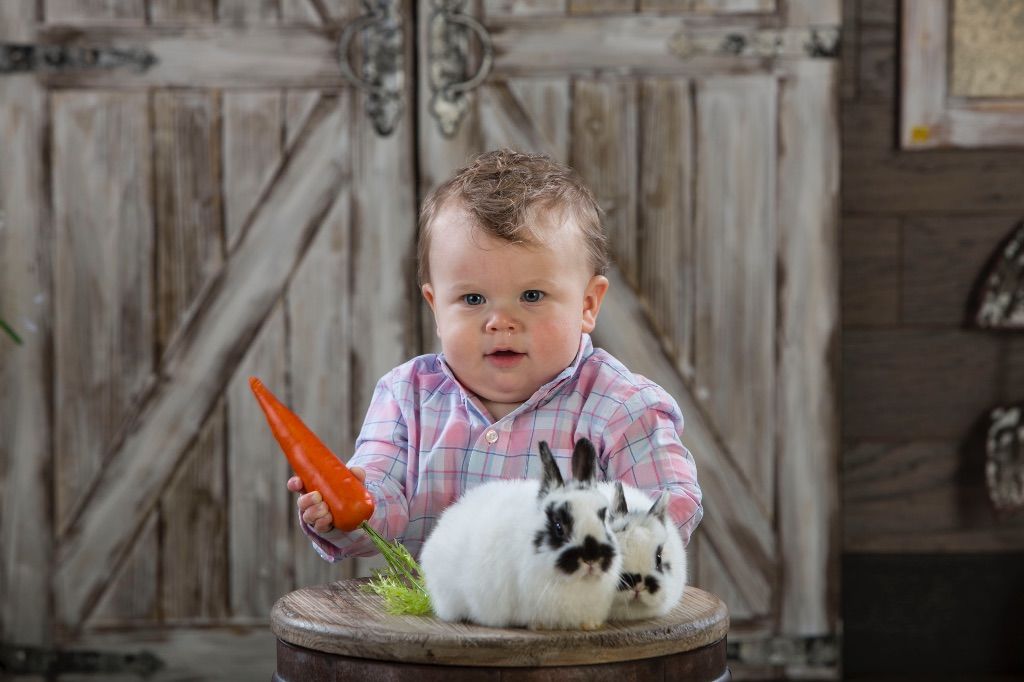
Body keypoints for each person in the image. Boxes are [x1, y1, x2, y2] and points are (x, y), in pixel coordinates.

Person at [287, 149, 702, 561]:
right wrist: (346, 507)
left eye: (532, 296)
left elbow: (672, 506)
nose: (500, 321)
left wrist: (606, 532)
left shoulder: (621, 408)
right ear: (435, 307)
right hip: (437, 622)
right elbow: (381, 502)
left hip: (574, 622)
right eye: (472, 298)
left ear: (588, 305)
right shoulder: (405, 397)